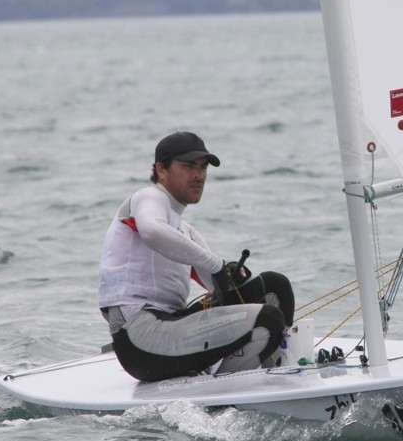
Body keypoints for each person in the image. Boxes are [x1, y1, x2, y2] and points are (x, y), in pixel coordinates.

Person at [98, 131, 295, 382]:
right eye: (188, 166)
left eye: (203, 167)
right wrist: (215, 264)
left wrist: (232, 275)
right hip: (139, 340)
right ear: (161, 169)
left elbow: (220, 285)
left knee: (273, 286)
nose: (198, 175)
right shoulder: (148, 197)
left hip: (171, 325)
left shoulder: (184, 231)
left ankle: (279, 370)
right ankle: (226, 395)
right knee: (266, 320)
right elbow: (151, 230)